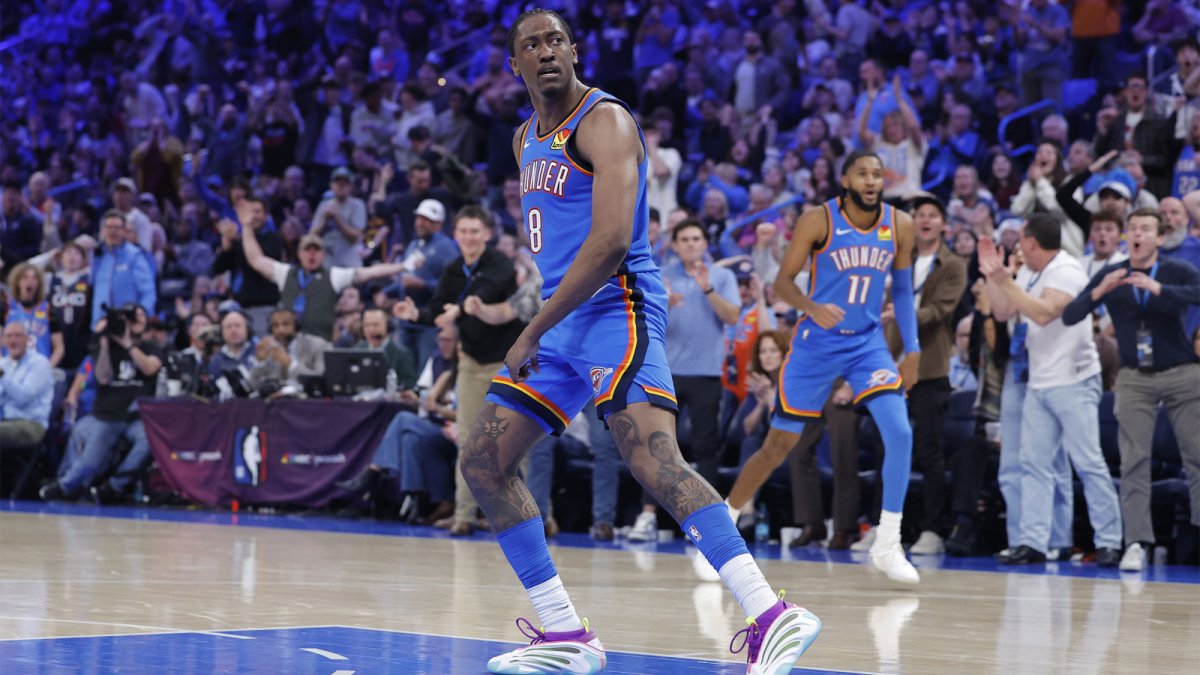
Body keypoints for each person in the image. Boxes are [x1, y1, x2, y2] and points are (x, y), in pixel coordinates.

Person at [458, 11, 820, 675]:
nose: (545, 52)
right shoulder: (521, 139)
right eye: (530, 44)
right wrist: (544, 323)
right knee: (482, 460)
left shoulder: (605, 121)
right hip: (563, 323)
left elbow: (611, 241)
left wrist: (531, 325)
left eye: (555, 40)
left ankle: (771, 613)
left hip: (615, 309)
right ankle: (567, 633)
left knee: (651, 456)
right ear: (515, 65)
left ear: (573, 51)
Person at [725, 150, 921, 586]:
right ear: (846, 180)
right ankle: (723, 529)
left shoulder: (900, 225)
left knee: (901, 432)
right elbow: (782, 283)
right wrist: (812, 307)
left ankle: (888, 543)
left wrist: (913, 349)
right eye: (862, 174)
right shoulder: (819, 220)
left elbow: (904, 292)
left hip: (868, 345)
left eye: (877, 174)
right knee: (778, 447)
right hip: (816, 345)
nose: (871, 180)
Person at [978, 213, 1123, 566]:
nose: (1018, 247)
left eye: (1021, 240)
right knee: (1033, 465)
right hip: (1039, 381)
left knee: (1088, 462)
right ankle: (1033, 541)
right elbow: (1001, 312)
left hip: (1073, 380)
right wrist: (996, 278)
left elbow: (1044, 313)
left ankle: (1109, 540)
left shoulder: (1068, 271)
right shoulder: (1027, 271)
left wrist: (1006, 281)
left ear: (1030, 241)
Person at [1062, 208, 1200, 572]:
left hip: (1182, 372)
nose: (1138, 234)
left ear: (1159, 238)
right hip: (1134, 376)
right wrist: (1098, 292)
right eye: (1133, 228)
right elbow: (1070, 315)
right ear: (1127, 236)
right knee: (1133, 459)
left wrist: (1161, 290)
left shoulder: (1175, 270)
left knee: (1196, 455)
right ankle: (1136, 542)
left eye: (1146, 229)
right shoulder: (1112, 273)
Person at [885, 194, 967, 556]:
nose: (925, 221)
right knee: (888, 446)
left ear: (944, 224)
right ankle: (883, 527)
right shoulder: (901, 259)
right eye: (919, 215)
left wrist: (898, 313)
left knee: (929, 451)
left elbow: (939, 310)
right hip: (892, 365)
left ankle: (933, 528)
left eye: (933, 215)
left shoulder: (952, 264)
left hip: (931, 368)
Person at [0, 322, 54, 449]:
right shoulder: (4, 363)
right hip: (5, 420)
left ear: (27, 339)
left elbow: (24, 397)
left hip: (30, 424)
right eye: (8, 336)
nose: (13, 340)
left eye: (17, 335)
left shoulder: (40, 363)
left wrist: (2, 375)